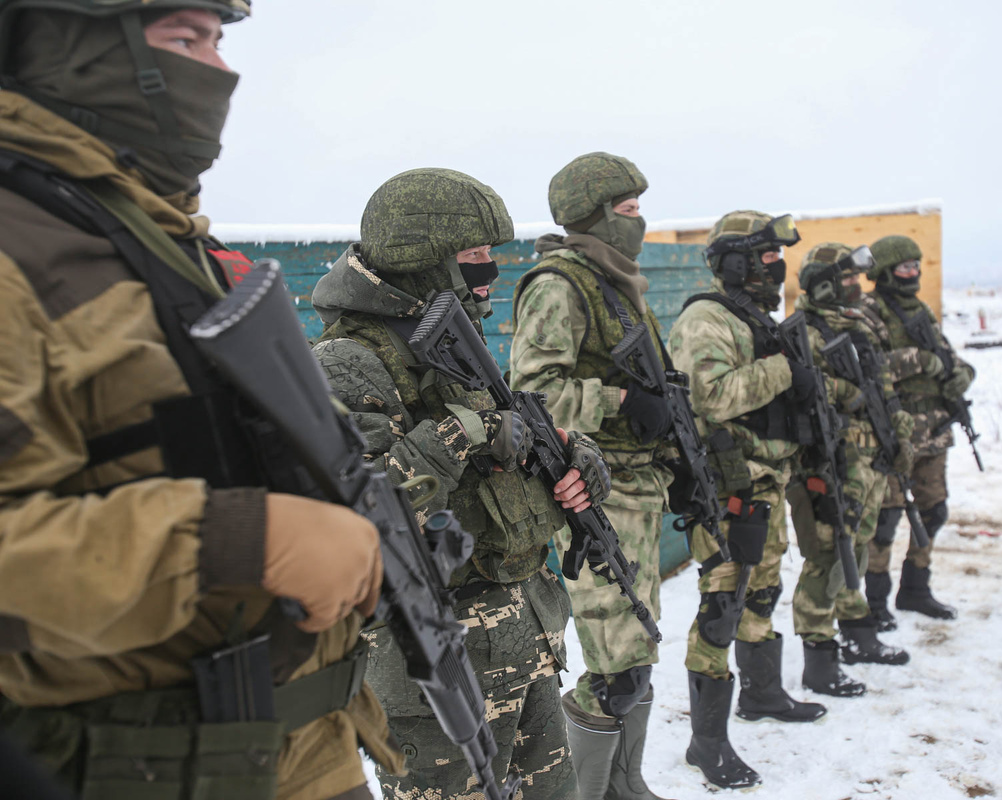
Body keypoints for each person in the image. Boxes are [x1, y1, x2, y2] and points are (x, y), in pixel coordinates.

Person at [0, 2, 405, 799]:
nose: (220, 72)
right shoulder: (23, 252)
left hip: (294, 749)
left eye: (218, 41)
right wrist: (233, 540)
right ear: (67, 47)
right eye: (185, 40)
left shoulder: (161, 242)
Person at [311, 167, 610, 800]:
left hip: (523, 641)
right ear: (423, 262)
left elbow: (509, 443)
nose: (488, 271)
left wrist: (571, 457)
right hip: (439, 668)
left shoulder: (449, 339)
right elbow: (360, 518)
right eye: (473, 256)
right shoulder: (348, 361)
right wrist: (464, 431)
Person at [509, 152, 672, 800]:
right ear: (596, 216)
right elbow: (532, 393)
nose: (639, 222)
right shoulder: (561, 283)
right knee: (612, 672)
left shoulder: (617, 284)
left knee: (636, 658)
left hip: (640, 487)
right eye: (628, 211)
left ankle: (625, 786)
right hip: (597, 499)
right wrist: (624, 403)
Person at [668, 210, 827, 790]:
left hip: (768, 481)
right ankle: (706, 742)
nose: (775, 268)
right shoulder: (707, 318)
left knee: (762, 589)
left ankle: (761, 694)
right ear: (732, 263)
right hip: (728, 489)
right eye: (763, 258)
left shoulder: (757, 320)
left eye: (776, 258)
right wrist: (785, 370)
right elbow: (707, 397)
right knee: (721, 606)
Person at [791, 242, 914, 698]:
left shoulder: (859, 323)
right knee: (827, 554)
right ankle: (818, 652)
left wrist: (899, 432)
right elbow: (798, 385)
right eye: (845, 278)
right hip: (834, 460)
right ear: (823, 281)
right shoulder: (803, 329)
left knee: (856, 547)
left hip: (871, 459)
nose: (856, 285)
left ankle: (856, 628)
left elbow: (884, 385)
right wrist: (845, 390)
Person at [863, 235, 975, 626]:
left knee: (934, 511)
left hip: (934, 431)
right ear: (884, 272)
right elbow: (869, 366)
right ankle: (874, 602)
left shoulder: (921, 311)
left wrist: (961, 375)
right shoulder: (869, 311)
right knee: (886, 519)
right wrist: (920, 361)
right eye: (904, 267)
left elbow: (948, 358)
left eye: (916, 266)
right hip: (893, 433)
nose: (913, 274)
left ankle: (915, 589)